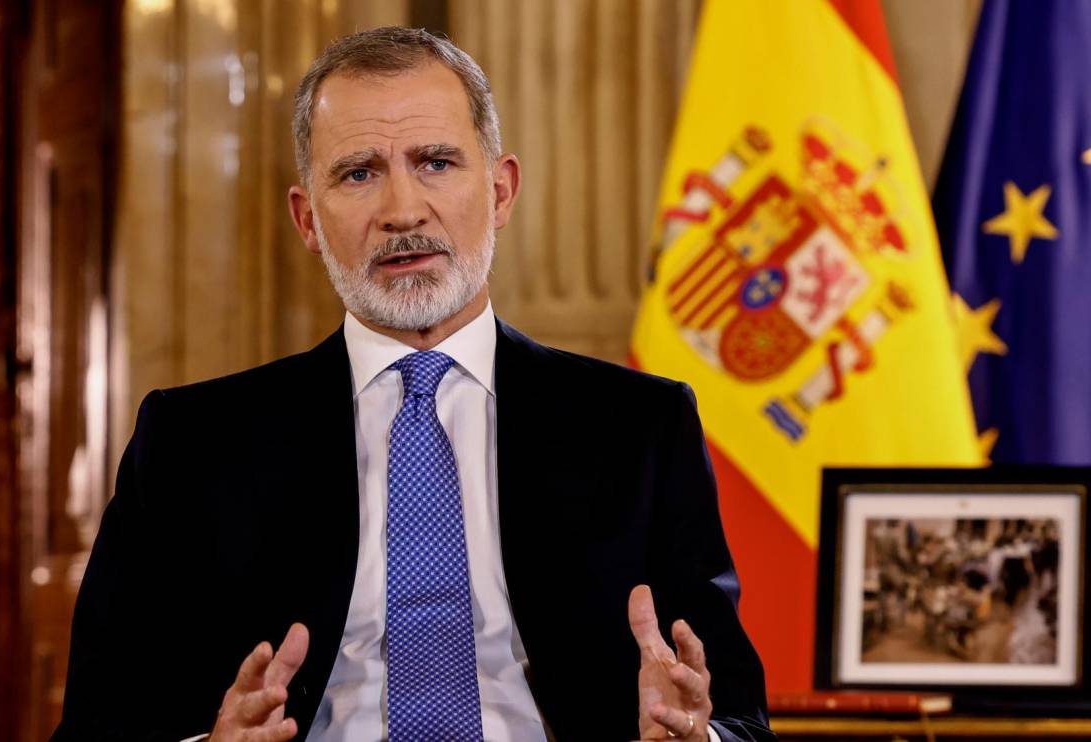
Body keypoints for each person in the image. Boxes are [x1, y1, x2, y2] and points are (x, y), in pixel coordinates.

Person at [52, 26, 773, 742]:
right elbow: (96, 725)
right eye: (359, 172)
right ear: (308, 219)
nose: (402, 209)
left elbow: (738, 717)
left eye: (435, 162)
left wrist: (693, 737)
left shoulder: (638, 428)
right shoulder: (191, 444)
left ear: (500, 191)